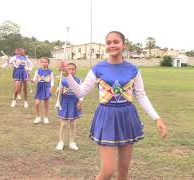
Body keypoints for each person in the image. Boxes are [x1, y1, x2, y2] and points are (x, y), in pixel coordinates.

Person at [59, 31, 167, 179]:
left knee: (123, 174)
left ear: (124, 45)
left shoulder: (133, 69)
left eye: (116, 42)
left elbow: (141, 95)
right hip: (107, 116)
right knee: (107, 172)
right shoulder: (98, 69)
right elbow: (80, 92)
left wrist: (157, 118)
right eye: (108, 42)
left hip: (127, 117)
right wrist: (67, 75)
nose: (112, 45)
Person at [56, 63, 83, 151]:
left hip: (74, 103)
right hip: (65, 103)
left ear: (76, 70)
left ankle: (72, 142)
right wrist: (60, 90)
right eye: (69, 69)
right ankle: (61, 141)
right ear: (66, 70)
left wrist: (80, 101)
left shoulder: (78, 80)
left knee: (73, 123)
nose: (71, 71)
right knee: (63, 124)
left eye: (73, 69)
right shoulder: (63, 80)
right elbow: (57, 93)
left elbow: (81, 91)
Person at [32, 57, 54, 124]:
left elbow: (52, 80)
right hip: (40, 88)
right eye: (43, 62)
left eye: (46, 62)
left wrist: (51, 86)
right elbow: (34, 79)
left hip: (47, 87)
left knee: (46, 104)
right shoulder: (38, 70)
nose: (44, 63)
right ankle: (38, 117)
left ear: (48, 63)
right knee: (37, 103)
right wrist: (32, 80)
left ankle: (46, 118)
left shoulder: (50, 71)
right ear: (40, 63)